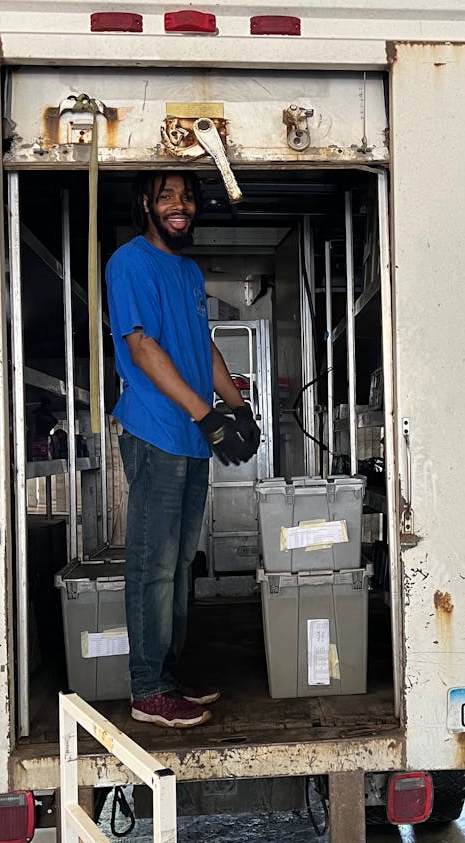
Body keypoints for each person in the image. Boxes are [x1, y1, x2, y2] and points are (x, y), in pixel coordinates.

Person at [106, 170, 261, 728]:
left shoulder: (189, 271)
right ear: (146, 202)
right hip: (156, 433)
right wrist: (204, 415)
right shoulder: (129, 264)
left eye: (187, 197)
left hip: (191, 439)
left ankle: (167, 677)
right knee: (151, 565)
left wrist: (236, 405)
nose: (179, 205)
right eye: (167, 195)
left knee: (176, 564)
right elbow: (141, 347)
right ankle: (147, 689)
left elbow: (205, 346)